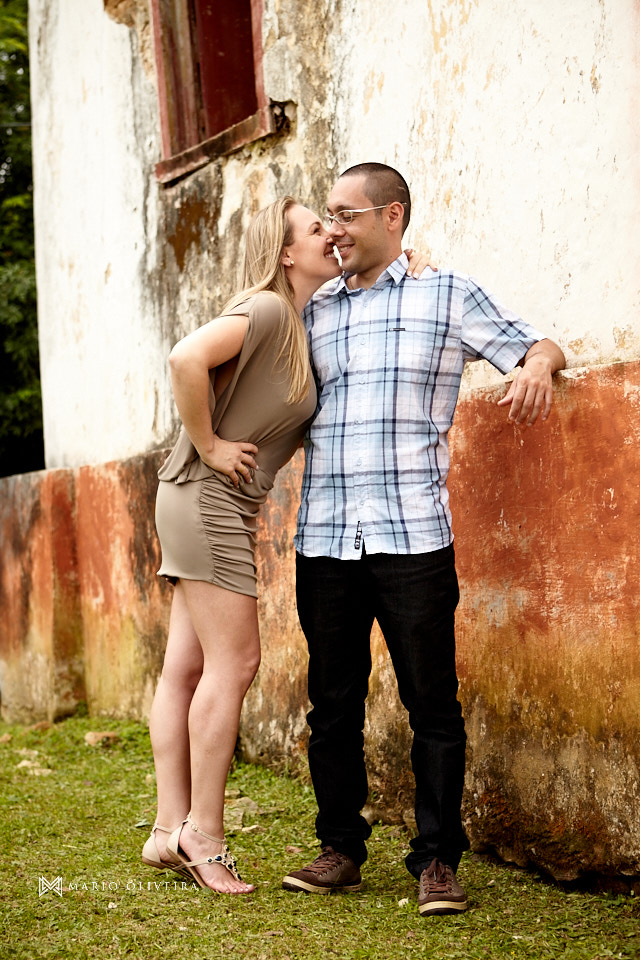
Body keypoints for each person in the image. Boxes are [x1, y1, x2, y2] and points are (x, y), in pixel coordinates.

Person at [282, 163, 566, 916]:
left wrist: (537, 366)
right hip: (325, 539)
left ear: (392, 216)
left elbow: (538, 344)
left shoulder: (447, 294)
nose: (333, 228)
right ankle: (340, 848)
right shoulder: (315, 312)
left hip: (413, 539)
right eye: (328, 216)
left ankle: (437, 860)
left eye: (345, 214)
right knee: (331, 704)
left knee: (431, 704)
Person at [142, 195, 430, 894]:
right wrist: (209, 444)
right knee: (235, 663)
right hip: (208, 498)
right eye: (314, 229)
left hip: (200, 501)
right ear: (284, 252)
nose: (330, 235)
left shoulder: (302, 321)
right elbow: (185, 357)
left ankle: (166, 830)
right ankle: (203, 838)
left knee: (186, 666)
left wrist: (414, 265)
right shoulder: (270, 310)